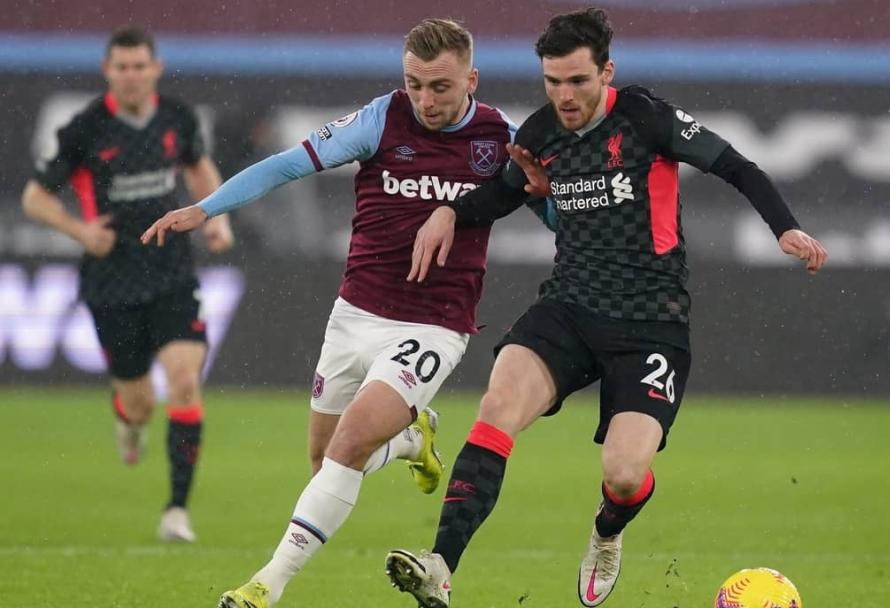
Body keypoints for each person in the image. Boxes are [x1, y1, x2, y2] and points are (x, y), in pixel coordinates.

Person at [385, 8, 828, 608]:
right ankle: (440, 563)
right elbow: (499, 196)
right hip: (570, 307)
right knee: (497, 404)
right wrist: (450, 212)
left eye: (577, 81)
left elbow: (737, 166)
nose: (564, 96)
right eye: (552, 82)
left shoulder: (647, 118)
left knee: (623, 474)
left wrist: (785, 229)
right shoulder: (539, 135)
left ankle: (607, 530)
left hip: (652, 324)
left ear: (606, 72)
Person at [140, 18, 540, 608]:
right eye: (414, 84)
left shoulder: (500, 138)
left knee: (348, 444)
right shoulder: (381, 118)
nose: (424, 100)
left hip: (434, 323)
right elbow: (286, 165)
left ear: (471, 79)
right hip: (355, 313)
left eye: (439, 87)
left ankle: (264, 586)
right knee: (324, 458)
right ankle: (410, 442)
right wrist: (206, 207)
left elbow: (553, 210)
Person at [21, 26, 235, 543]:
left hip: (172, 271)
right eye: (123, 67)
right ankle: (129, 418)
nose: (132, 75)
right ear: (108, 70)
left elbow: (199, 166)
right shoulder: (85, 129)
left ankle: (176, 510)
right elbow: (35, 198)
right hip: (112, 281)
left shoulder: (176, 118)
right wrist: (79, 231)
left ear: (156, 69)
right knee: (138, 401)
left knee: (185, 381)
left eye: (141, 66)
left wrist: (216, 216)